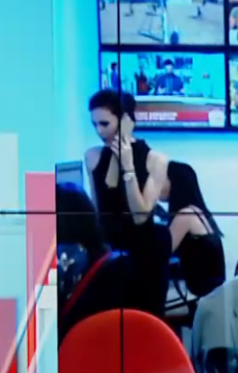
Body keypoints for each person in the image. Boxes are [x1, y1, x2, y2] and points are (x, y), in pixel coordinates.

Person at [84, 89, 171, 316]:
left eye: (105, 124)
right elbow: (99, 210)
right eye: (94, 125)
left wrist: (128, 166)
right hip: (108, 255)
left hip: (144, 256)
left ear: (125, 121)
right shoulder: (92, 157)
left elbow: (140, 216)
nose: (99, 131)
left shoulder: (156, 160)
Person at [164, 161, 226, 298]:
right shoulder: (196, 211)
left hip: (205, 296)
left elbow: (160, 253)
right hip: (213, 293)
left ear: (174, 183)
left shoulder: (185, 215)